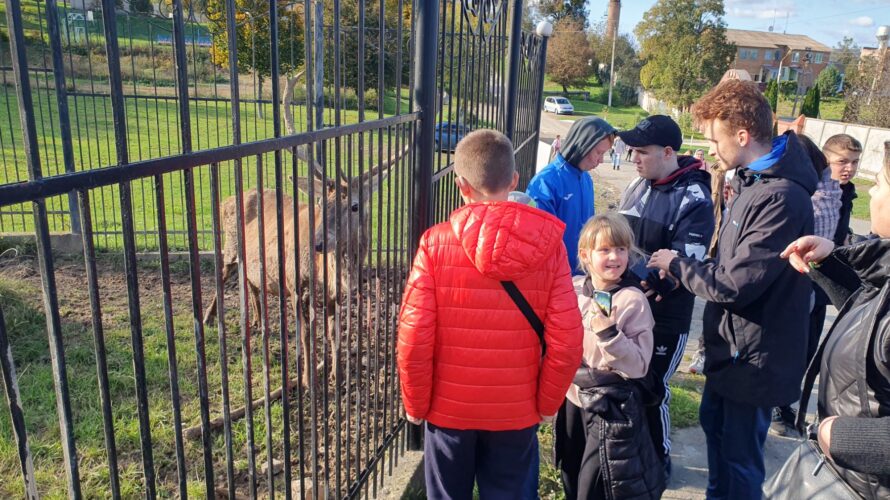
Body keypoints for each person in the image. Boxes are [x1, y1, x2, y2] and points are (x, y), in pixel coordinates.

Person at [647, 79, 817, 500]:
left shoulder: (780, 197)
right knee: (718, 441)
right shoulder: (749, 181)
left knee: (740, 463)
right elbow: (729, 262)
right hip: (732, 350)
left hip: (756, 358)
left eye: (715, 138)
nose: (713, 148)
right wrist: (688, 267)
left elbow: (734, 285)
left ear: (742, 135)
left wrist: (677, 264)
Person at [397, 129, 584, 499]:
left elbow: (414, 338)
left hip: (449, 413)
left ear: (461, 184)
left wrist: (416, 404)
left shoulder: (435, 244)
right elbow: (567, 340)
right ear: (515, 180)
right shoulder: (550, 247)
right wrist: (547, 404)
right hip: (516, 412)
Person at [778, 143, 890, 499]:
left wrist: (839, 437)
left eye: (882, 182)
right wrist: (831, 267)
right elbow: (873, 330)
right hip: (846, 477)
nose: (872, 191)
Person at [616, 114, 715, 478]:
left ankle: (658, 459)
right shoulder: (638, 185)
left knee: (650, 387)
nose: (634, 159)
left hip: (664, 320)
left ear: (669, 152)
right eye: (632, 152)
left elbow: (679, 267)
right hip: (624, 308)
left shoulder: (694, 197)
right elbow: (617, 241)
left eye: (642, 152)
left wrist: (635, 288)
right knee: (623, 385)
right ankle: (626, 454)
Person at [555, 213, 665, 500]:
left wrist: (610, 336)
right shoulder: (575, 289)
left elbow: (639, 366)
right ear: (585, 255)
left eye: (621, 249)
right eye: (604, 250)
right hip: (573, 398)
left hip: (610, 405)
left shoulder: (632, 301)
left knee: (593, 485)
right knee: (569, 466)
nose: (614, 257)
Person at [771, 135, 841, 436]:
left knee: (793, 351)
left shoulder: (810, 198)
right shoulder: (828, 193)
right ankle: (781, 405)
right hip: (806, 289)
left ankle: (781, 405)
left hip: (807, 289)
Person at [527, 117, 616, 273]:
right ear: (583, 146)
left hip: (584, 272)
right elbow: (539, 243)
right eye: (599, 153)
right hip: (557, 277)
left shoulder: (586, 178)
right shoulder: (545, 182)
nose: (601, 160)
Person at [823, 134, 863, 247]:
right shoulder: (814, 192)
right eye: (842, 161)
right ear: (826, 161)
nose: (850, 168)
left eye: (855, 162)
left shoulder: (848, 190)